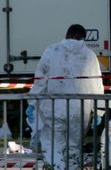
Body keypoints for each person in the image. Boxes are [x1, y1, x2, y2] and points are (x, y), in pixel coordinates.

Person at [28, 24, 104, 170]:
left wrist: (33, 103)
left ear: (66, 35)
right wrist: (98, 112)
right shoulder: (90, 56)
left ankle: (57, 167)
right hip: (80, 110)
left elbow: (40, 80)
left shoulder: (51, 51)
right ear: (83, 38)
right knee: (74, 147)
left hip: (53, 107)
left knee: (55, 144)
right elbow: (97, 86)